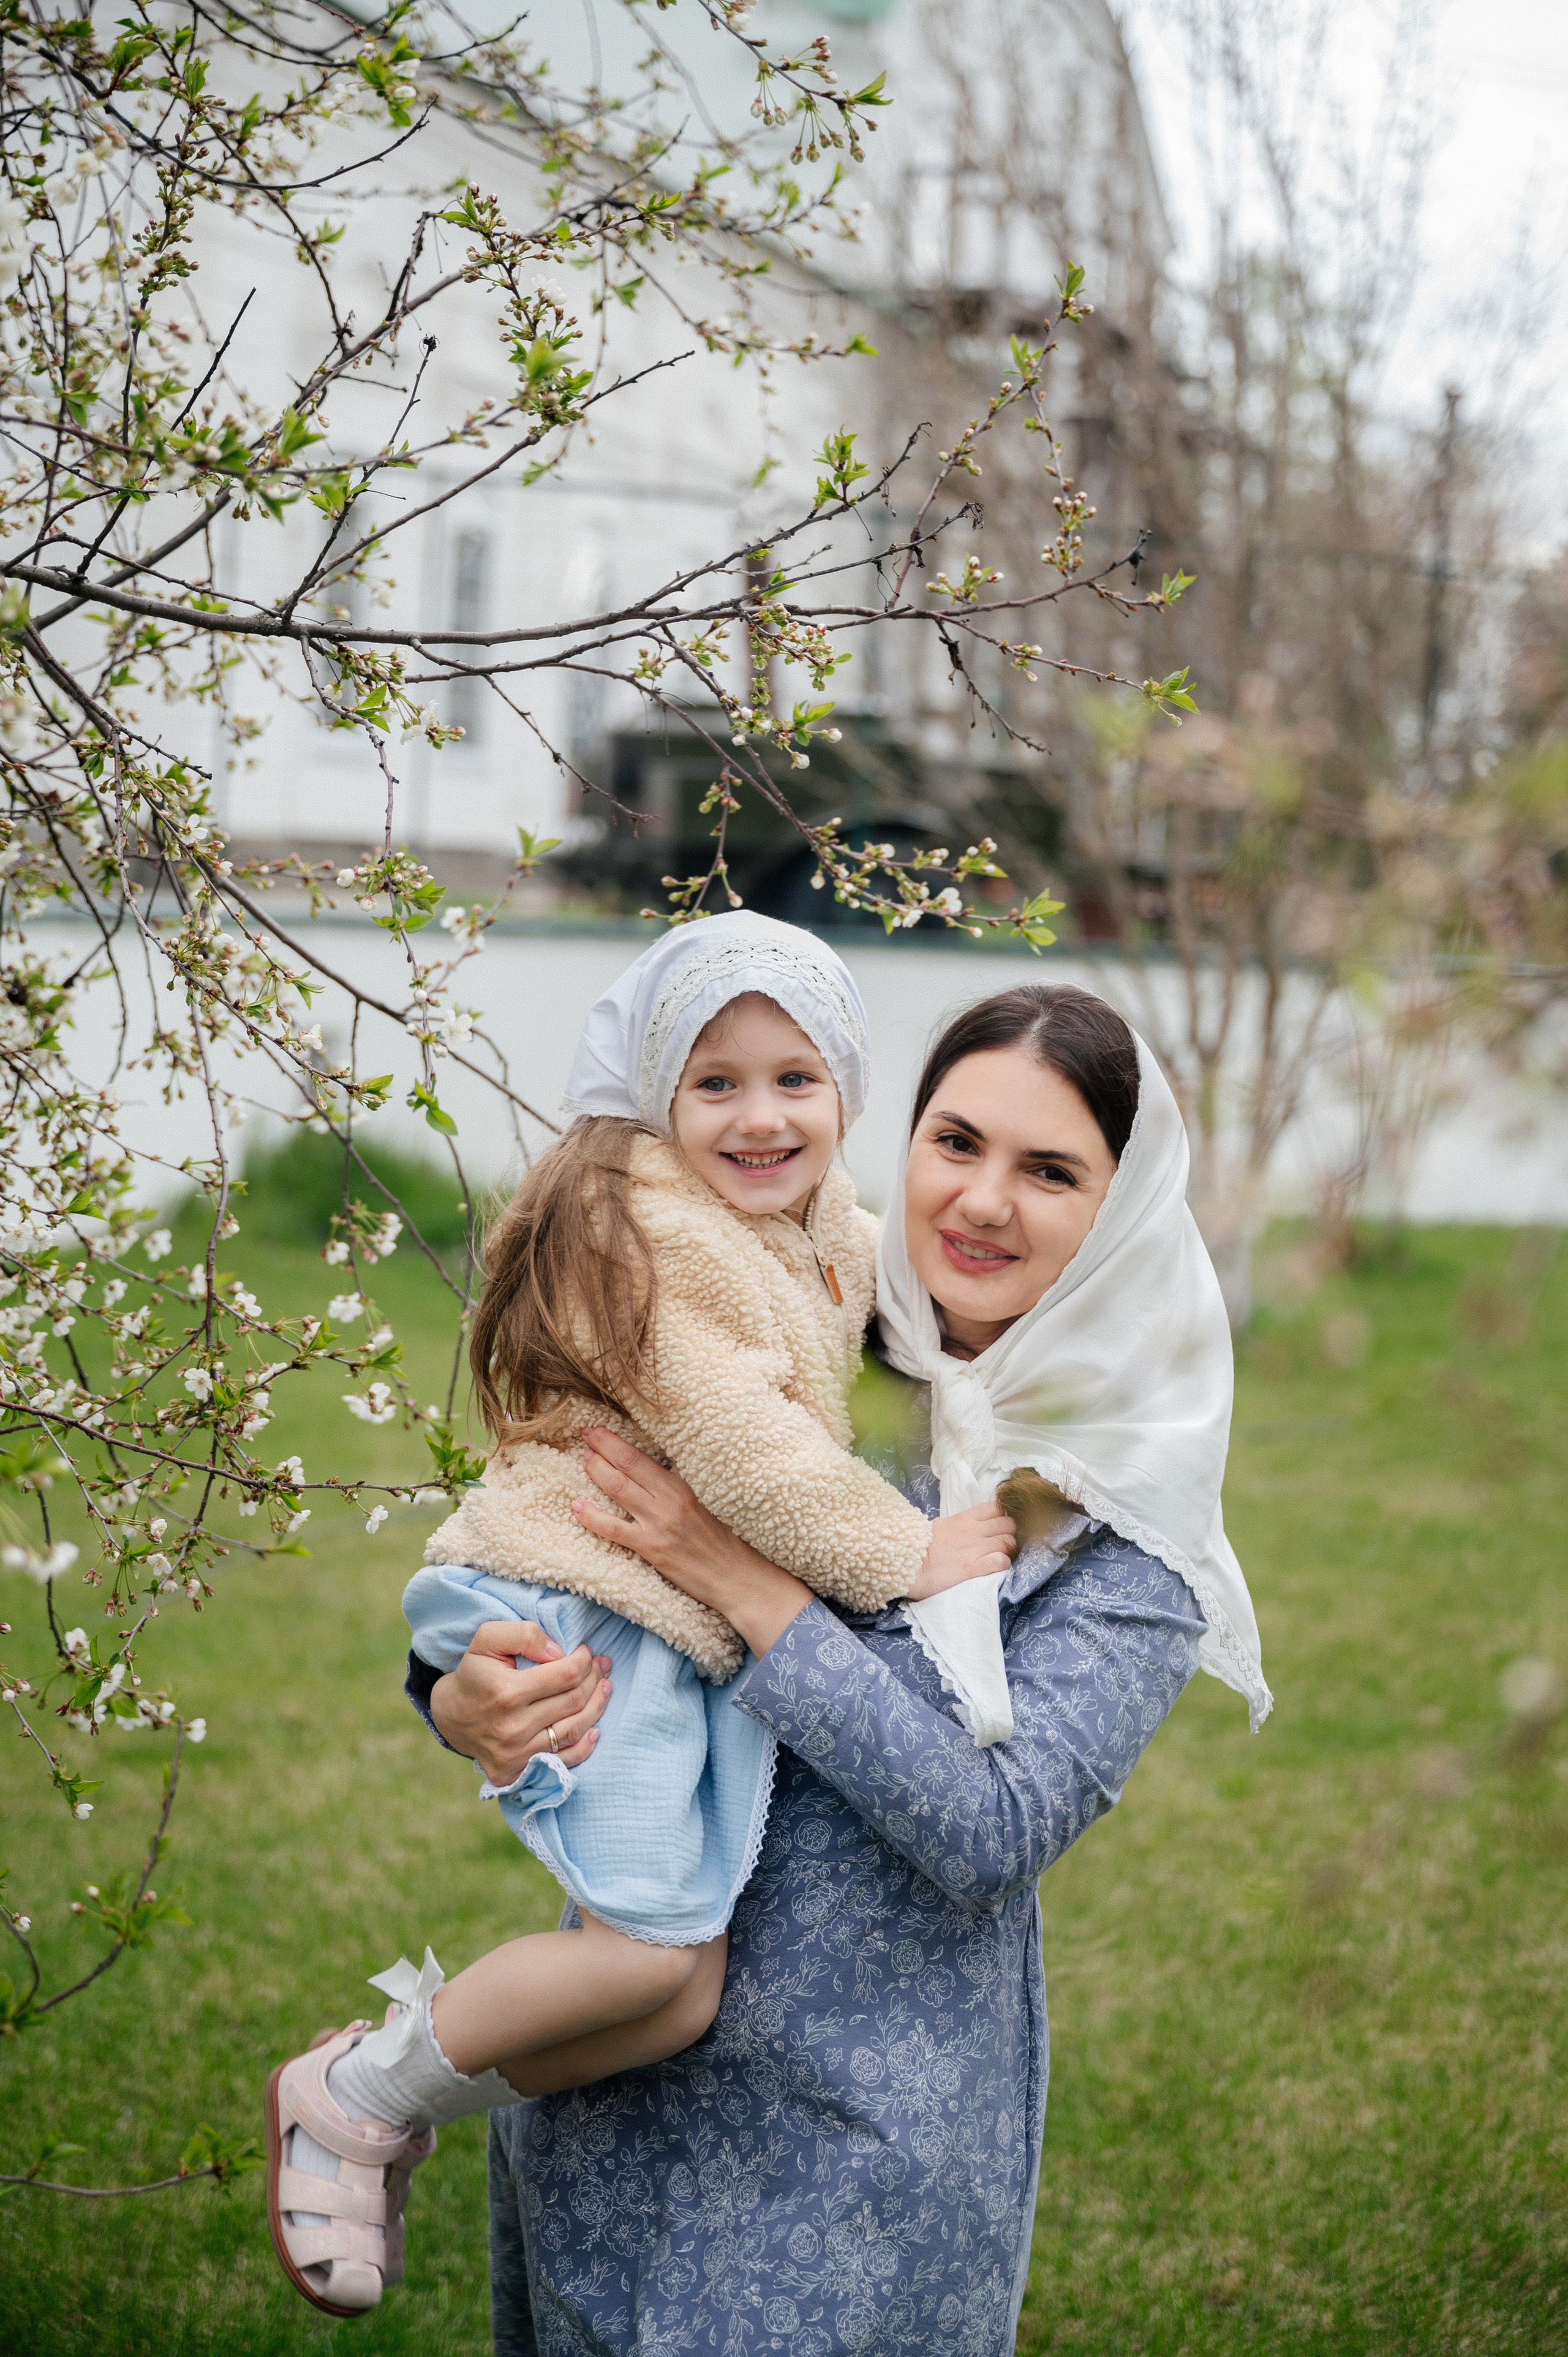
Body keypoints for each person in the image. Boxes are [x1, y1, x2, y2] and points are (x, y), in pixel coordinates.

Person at [418, 979, 1271, 2357]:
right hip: (602, 2087)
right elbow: (552, 1545)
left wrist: (750, 1588)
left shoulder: (1132, 1531)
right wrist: (463, 1695)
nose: (981, 1200)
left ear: (1118, 1213)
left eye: (1047, 1170)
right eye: (954, 1141)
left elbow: (989, 1826)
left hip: (856, 2151)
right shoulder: (796, 1349)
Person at [263, 916, 1014, 2319]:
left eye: (795, 1077)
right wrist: (918, 1557)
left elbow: (876, 1268)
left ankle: (406, 2088)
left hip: (657, 1618)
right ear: (659, 1100)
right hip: (583, 1599)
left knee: (671, 1990)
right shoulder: (659, 1238)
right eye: (714, 1082)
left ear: (847, 1087)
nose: (758, 1114)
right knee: (646, 1954)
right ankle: (350, 2096)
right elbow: (748, 1455)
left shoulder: (809, 1229)